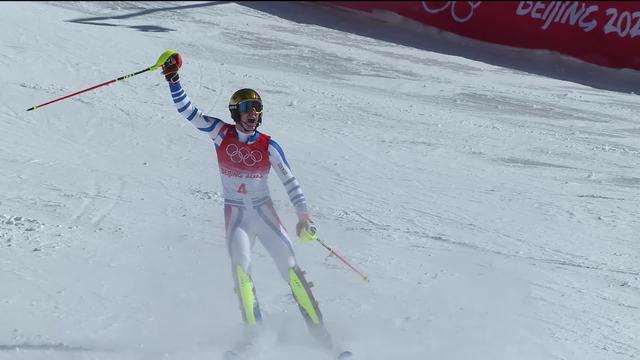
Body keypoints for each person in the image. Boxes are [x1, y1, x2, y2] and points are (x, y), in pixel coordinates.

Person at [160, 52, 332, 345]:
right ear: (235, 112)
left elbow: (291, 183)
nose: (253, 112)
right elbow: (187, 111)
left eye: (256, 107)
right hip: (237, 216)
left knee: (290, 270)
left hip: (264, 214)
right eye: (246, 107)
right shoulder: (220, 134)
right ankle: (255, 338)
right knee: (241, 273)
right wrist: (173, 79)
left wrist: (304, 217)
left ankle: (323, 339)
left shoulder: (268, 146)